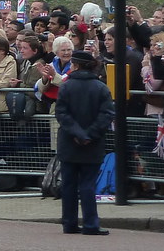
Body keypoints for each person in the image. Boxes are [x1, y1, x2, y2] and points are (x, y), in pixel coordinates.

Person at [54, 50, 115, 235]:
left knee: (69, 184)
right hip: (92, 143)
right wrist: (89, 135)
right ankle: (90, 224)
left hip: (69, 142)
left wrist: (77, 133)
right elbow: (106, 115)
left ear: (76, 65)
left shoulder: (66, 86)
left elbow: (62, 114)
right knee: (88, 184)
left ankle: (69, 223)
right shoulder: (101, 87)